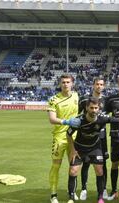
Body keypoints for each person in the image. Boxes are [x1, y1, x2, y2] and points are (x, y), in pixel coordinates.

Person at [66, 97, 119, 203]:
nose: (94, 110)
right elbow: (68, 135)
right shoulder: (78, 120)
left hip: (95, 148)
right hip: (79, 148)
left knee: (100, 171)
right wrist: (72, 150)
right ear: (87, 108)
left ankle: (100, 198)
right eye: (91, 108)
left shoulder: (102, 118)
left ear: (99, 108)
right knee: (73, 171)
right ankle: (71, 198)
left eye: (96, 108)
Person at [47, 74, 79, 203]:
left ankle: (72, 191)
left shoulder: (76, 96)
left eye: (68, 82)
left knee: (74, 166)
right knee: (56, 166)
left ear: (72, 84)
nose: (65, 84)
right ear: (60, 84)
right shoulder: (54, 99)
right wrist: (67, 122)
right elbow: (52, 119)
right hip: (59, 137)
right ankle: (53, 195)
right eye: (63, 82)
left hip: (74, 137)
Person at [78, 77, 109, 200]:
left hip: (102, 137)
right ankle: (84, 189)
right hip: (87, 137)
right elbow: (78, 116)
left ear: (104, 86)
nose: (99, 86)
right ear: (93, 85)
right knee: (85, 162)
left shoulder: (107, 100)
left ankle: (104, 189)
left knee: (103, 163)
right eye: (97, 84)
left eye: (101, 84)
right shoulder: (85, 99)